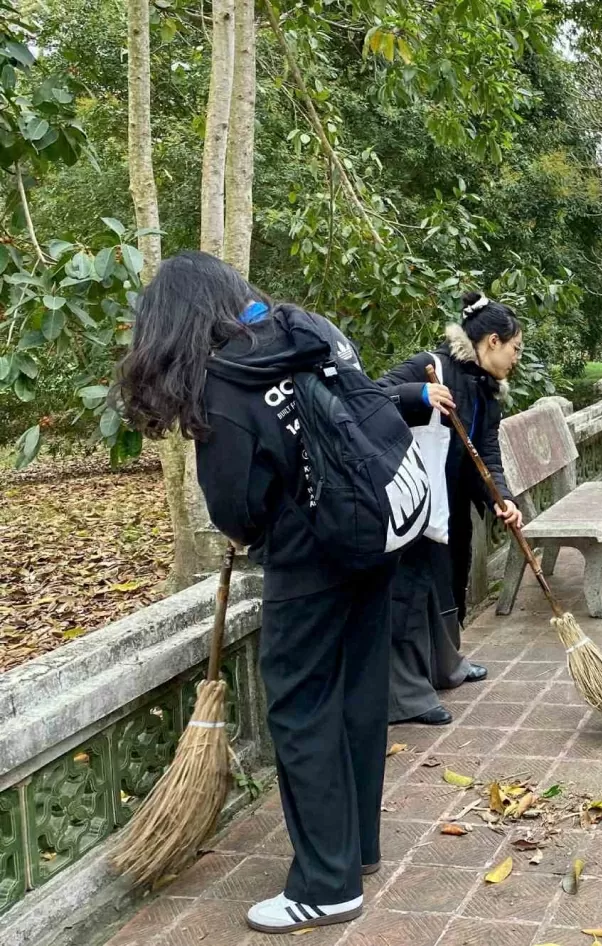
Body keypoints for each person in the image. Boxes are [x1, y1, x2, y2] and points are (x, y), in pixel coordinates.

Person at [116, 252, 408, 934]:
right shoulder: (312, 332)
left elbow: (237, 511)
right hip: (374, 532)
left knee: (302, 710)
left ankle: (325, 885)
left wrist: (256, 525)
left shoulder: (227, 385)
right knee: (359, 695)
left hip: (308, 561)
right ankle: (355, 848)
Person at [378, 293, 524, 635]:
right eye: (515, 348)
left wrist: (502, 499)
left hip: (454, 502)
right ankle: (418, 672)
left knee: (454, 577)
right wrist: (419, 395)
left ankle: (448, 662)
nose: (516, 358)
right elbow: (367, 398)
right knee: (415, 588)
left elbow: (487, 454)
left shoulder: (488, 390)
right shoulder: (432, 366)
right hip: (417, 501)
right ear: (493, 341)